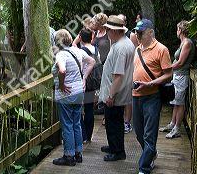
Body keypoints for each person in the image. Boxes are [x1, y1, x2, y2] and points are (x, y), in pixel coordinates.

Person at [132, 19, 172, 174]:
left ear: (150, 32)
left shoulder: (162, 49)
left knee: (149, 134)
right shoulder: (137, 49)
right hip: (136, 96)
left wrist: (150, 84)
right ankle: (151, 154)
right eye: (136, 31)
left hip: (152, 96)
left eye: (140, 32)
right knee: (139, 133)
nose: (137, 34)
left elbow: (168, 75)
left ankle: (144, 168)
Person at [52, 29, 95, 166]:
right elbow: (92, 61)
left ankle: (68, 156)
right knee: (76, 123)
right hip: (78, 92)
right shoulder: (78, 51)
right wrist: (84, 78)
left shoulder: (61, 55)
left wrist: (62, 84)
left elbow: (62, 70)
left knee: (67, 125)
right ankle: (78, 153)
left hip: (66, 94)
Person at [98, 15, 135, 162]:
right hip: (118, 90)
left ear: (115, 31)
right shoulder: (123, 42)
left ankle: (118, 151)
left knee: (113, 122)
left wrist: (111, 95)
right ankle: (114, 146)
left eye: (108, 29)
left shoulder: (120, 48)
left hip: (115, 93)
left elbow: (118, 75)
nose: (106, 32)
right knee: (115, 121)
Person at [160, 20, 195, 139]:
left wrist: (166, 68)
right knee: (175, 101)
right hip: (177, 75)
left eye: (177, 29)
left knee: (179, 103)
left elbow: (180, 62)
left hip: (181, 76)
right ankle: (172, 124)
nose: (176, 31)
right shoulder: (183, 42)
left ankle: (177, 129)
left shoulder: (187, 43)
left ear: (180, 30)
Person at [79, 28, 101, 143]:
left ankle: (83, 135)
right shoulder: (96, 50)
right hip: (94, 83)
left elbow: (81, 67)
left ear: (80, 38)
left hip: (84, 81)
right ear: (91, 37)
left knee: (79, 109)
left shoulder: (81, 51)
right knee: (89, 109)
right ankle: (89, 135)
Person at [118, 14, 133, 134]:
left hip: (128, 71)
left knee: (127, 98)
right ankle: (120, 121)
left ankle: (127, 122)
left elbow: (136, 51)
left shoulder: (130, 35)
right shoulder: (115, 35)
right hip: (118, 71)